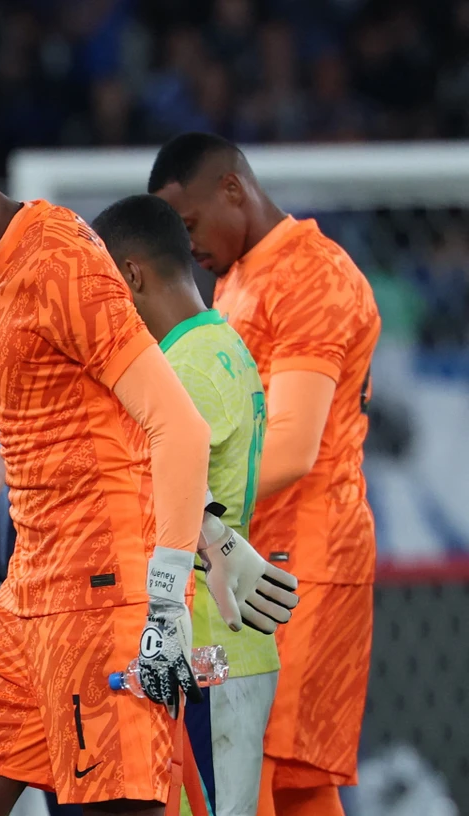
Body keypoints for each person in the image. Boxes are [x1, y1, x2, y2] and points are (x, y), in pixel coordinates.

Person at [0, 101, 297, 816]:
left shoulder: (58, 258)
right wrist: (212, 532)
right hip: (29, 597)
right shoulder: (3, 275)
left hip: (103, 600)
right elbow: (106, 429)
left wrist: (165, 600)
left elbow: (177, 424)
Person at [150, 133, 381, 816]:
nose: (186, 244)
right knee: (290, 776)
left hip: (307, 557)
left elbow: (293, 448)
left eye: (189, 223)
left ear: (232, 189)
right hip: (251, 555)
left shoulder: (311, 275)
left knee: (262, 765)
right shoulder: (237, 278)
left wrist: (180, 507)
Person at [93, 195, 300, 816]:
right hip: (223, 644)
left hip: (207, 645)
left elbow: (164, 487)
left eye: (102, 286)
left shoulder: (185, 368)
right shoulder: (221, 345)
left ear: (130, 275)